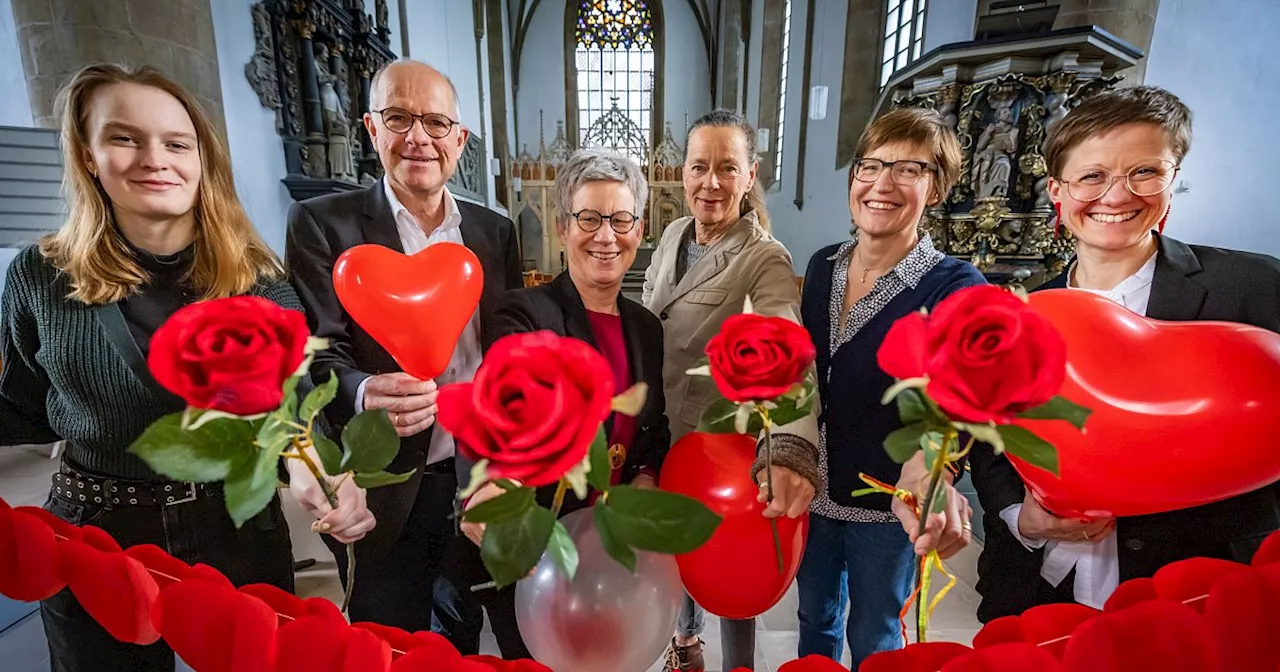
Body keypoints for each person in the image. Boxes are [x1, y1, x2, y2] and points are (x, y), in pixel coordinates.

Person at [0, 64, 370, 672]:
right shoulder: (41, 277)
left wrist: (317, 471)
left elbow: (293, 409)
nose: (155, 158)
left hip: (235, 529)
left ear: (203, 160)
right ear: (88, 155)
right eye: (124, 138)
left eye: (176, 143)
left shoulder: (258, 280)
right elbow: (21, 406)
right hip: (98, 533)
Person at [971, 86, 1280, 621]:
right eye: (1092, 176)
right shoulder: (1019, 313)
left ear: (1173, 179)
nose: (1116, 196)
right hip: (1037, 588)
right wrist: (1022, 515)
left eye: (1144, 172)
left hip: (1199, 590)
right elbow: (990, 442)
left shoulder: (1253, 288)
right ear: (1057, 192)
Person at [285, 59, 523, 636]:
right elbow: (309, 353)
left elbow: (510, 350)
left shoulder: (495, 233)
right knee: (390, 640)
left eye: (436, 123)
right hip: (385, 485)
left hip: (477, 475)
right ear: (371, 129)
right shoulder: (321, 224)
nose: (419, 137)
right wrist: (363, 391)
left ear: (459, 139)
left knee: (467, 634)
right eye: (399, 117)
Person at [454, 148, 671, 655]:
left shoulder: (647, 328)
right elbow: (496, 404)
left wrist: (643, 475)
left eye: (620, 219)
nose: (605, 235)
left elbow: (652, 428)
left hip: (617, 551)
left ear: (639, 229)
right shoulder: (526, 315)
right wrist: (482, 483)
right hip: (542, 548)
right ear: (562, 225)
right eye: (589, 218)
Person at [796, 108, 982, 670]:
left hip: (887, 503)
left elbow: (959, 403)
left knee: (876, 630)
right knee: (815, 619)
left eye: (908, 169)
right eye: (870, 165)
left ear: (937, 185)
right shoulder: (823, 265)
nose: (881, 184)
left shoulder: (954, 284)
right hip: (816, 488)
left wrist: (934, 469)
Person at [643, 109, 820, 672]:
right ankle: (685, 644)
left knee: (732, 572)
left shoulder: (763, 257)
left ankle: (737, 667)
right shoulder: (672, 234)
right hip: (663, 433)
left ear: (750, 175)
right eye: (700, 167)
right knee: (680, 555)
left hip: (718, 443)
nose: (711, 182)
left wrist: (790, 448)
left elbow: (789, 348)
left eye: (727, 168)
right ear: (682, 173)